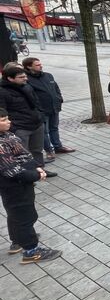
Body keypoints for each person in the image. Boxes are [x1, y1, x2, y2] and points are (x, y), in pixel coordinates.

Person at [0, 107, 62, 263]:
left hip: (21, 183)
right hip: (13, 185)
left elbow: (23, 153)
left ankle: (18, 240)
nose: (9, 121)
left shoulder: (6, 134)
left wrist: (36, 166)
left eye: (7, 118)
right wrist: (37, 174)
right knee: (24, 216)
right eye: (3, 120)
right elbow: (12, 170)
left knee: (16, 214)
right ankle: (31, 251)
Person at [0, 66, 57, 177]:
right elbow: (2, 112)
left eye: (25, 76)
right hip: (20, 128)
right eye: (21, 77)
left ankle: (40, 170)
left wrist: (40, 115)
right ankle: (27, 175)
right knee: (21, 153)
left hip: (36, 124)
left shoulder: (26, 86)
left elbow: (36, 103)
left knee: (37, 150)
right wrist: (13, 127)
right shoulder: (2, 92)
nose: (25, 78)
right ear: (10, 79)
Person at [23, 58, 75, 165]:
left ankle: (58, 146)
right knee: (44, 132)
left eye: (40, 64)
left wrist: (59, 98)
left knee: (54, 128)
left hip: (54, 107)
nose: (40, 66)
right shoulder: (26, 79)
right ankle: (49, 151)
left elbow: (56, 88)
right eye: (37, 65)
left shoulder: (48, 75)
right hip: (41, 110)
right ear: (29, 66)